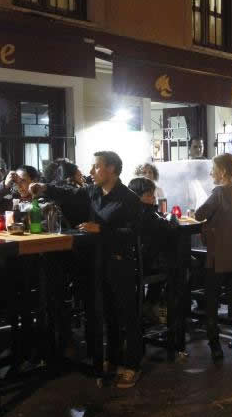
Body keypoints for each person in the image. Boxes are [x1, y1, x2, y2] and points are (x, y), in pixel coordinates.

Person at [30, 151, 146, 388]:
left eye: (96, 167)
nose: (91, 171)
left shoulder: (128, 198)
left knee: (126, 314)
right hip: (96, 260)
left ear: (111, 169)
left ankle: (133, 364)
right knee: (107, 313)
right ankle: (113, 360)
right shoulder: (92, 191)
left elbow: (133, 234)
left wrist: (101, 230)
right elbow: (70, 193)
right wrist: (43, 188)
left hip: (120, 260)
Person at [193, 153, 232, 360]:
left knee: (212, 301)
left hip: (218, 258)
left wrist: (192, 211)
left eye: (213, 169)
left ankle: (215, 344)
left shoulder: (218, 193)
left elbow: (199, 214)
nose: (210, 173)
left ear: (223, 172)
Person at [128, 176, 178, 325]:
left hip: (134, 263)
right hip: (149, 265)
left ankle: (150, 305)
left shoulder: (129, 212)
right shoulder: (148, 215)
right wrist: (171, 217)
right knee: (180, 267)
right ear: (138, 197)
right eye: (149, 195)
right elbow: (171, 227)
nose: (154, 198)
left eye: (153, 194)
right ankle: (165, 312)